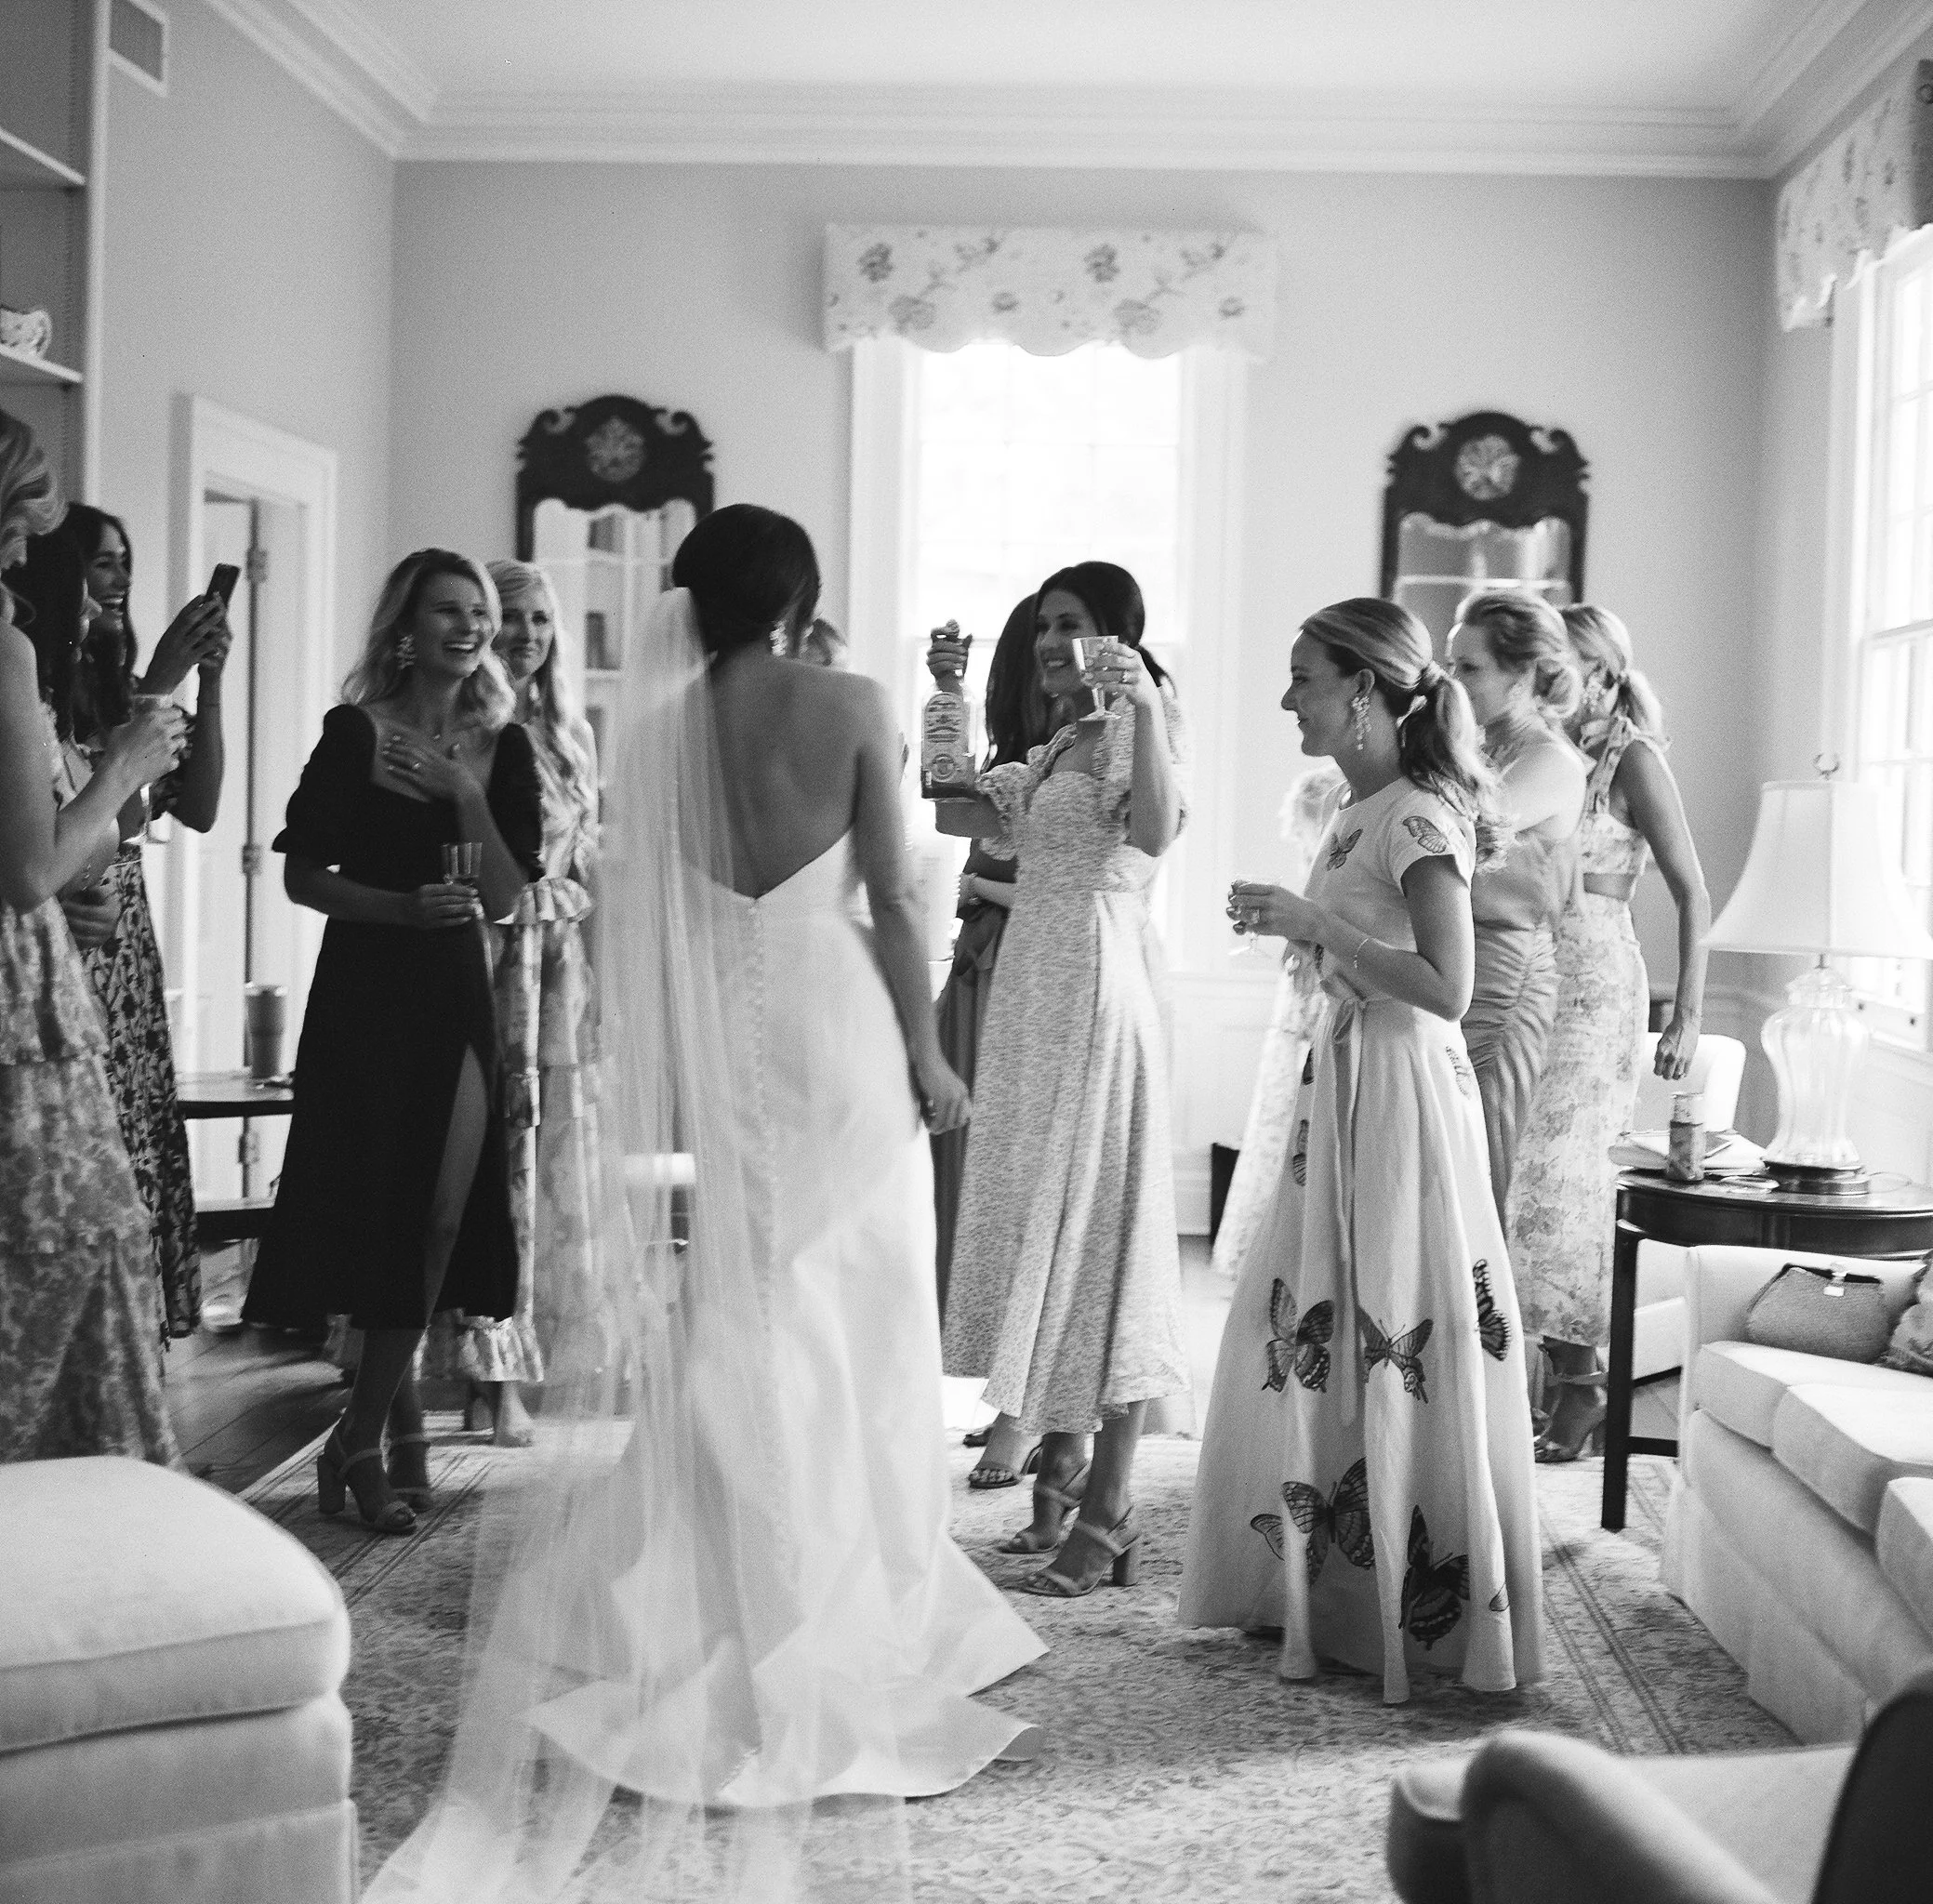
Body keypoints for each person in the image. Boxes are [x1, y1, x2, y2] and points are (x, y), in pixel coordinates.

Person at [370, 505, 1042, 1902]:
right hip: (839, 1018)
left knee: (747, 1280)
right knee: (850, 1288)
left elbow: (637, 908)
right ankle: (836, 1586)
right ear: (798, 598)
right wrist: (926, 1050)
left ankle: (726, 1563)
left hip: (737, 1038)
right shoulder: (851, 701)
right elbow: (892, 902)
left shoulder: (658, 729)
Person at [1179, 597, 1542, 1706]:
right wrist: (1304, 926)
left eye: (1304, 675)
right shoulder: (1359, 802)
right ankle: (1329, 1590)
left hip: (1398, 1092)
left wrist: (1314, 921)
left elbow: (1448, 988)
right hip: (1343, 1080)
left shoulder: (1420, 815)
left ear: (1367, 691)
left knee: (1393, 1318)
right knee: (1311, 1324)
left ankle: (1413, 1611)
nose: (1289, 695)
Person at [242, 550, 542, 1534]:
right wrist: (399, 909)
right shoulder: (354, 734)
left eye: (481, 613)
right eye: (449, 610)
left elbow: (505, 897)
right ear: (405, 628)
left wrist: (463, 791)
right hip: (367, 993)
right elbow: (302, 878)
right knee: (377, 1214)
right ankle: (366, 1443)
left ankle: (357, 1437)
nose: (470, 627)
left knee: (441, 1218)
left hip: (456, 998)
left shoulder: (507, 749)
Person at [935, 562, 1190, 1595]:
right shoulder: (1056, 746)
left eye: (1071, 623)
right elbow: (955, 814)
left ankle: (1108, 1507)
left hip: (1095, 982)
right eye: (1043, 624)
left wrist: (1143, 702)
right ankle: (1066, 1463)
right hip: (1033, 993)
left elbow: (1157, 833)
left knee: (1103, 1242)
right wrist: (948, 691)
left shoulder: (1136, 716)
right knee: (1050, 1231)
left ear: (1117, 632)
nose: (1050, 640)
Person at [0, 408, 179, 1464]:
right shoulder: (5, 643)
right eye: (19, 521)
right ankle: (88, 1535)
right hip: (18, 1006)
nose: (28, 550)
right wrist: (124, 763)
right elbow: (28, 871)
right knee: (70, 1253)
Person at [1507, 603, 1711, 1461]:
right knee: (1519, 1177)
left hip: (1596, 988)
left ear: (1601, 670)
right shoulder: (1544, 757)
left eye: (1566, 665)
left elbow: (1691, 891)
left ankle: (1582, 1384)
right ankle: (1550, 1378)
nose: (1551, 681)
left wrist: (1688, 1015)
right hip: (1528, 978)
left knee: (1566, 1182)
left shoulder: (1633, 759)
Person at [38, 504, 231, 1342]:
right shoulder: (49, 686)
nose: (114, 581)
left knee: (134, 1143)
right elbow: (90, 812)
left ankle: (131, 1350)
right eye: (99, 563)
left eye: (124, 563)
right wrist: (160, 682)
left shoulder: (117, 676)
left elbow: (201, 807)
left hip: (126, 943)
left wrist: (207, 686)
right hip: (68, 933)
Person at [438, 557, 607, 1445]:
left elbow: (583, 862)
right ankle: (483, 1368)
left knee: (545, 1172)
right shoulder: (474, 724)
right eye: (513, 618)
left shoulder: (571, 734)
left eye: (542, 619)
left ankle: (511, 1363)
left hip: (561, 969)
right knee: (489, 1166)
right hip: (494, 954)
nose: (527, 635)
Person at [926, 593, 1066, 1323]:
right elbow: (947, 805)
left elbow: (1079, 886)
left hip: (1031, 970)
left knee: (1018, 1166)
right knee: (971, 1161)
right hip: (976, 967)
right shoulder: (1010, 765)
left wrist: (976, 884)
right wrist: (945, 692)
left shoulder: (1075, 765)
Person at [1447, 589, 1585, 1219]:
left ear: (1523, 673)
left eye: (1468, 667)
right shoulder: (1475, 751)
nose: (1453, 682)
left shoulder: (1550, 762)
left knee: (1479, 1159)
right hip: (1450, 964)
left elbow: (1455, 836)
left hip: (1503, 976)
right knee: (1440, 1158)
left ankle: (1482, 1314)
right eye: (1451, 665)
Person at [1211, 763, 1346, 1287]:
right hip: (1297, 1013)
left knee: (1300, 1124)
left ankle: (1290, 1262)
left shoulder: (1338, 859)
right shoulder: (1320, 868)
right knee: (1286, 1122)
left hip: (1315, 1012)